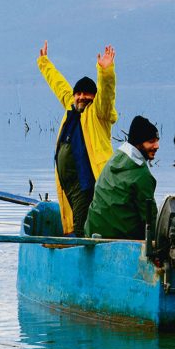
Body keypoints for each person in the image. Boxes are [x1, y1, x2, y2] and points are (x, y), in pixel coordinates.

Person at [38, 40, 117, 236]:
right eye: (78, 94)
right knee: (73, 226)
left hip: (86, 183)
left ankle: (80, 260)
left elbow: (107, 94)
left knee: (80, 229)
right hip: (69, 186)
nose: (81, 97)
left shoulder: (98, 113)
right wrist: (44, 63)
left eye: (87, 94)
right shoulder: (71, 108)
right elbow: (59, 85)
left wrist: (105, 72)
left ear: (94, 97)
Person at [84, 115, 159, 241]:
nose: (157, 146)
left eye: (157, 140)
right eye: (151, 141)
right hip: (120, 240)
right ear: (138, 143)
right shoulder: (141, 174)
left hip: (92, 232)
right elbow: (149, 219)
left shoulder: (114, 159)